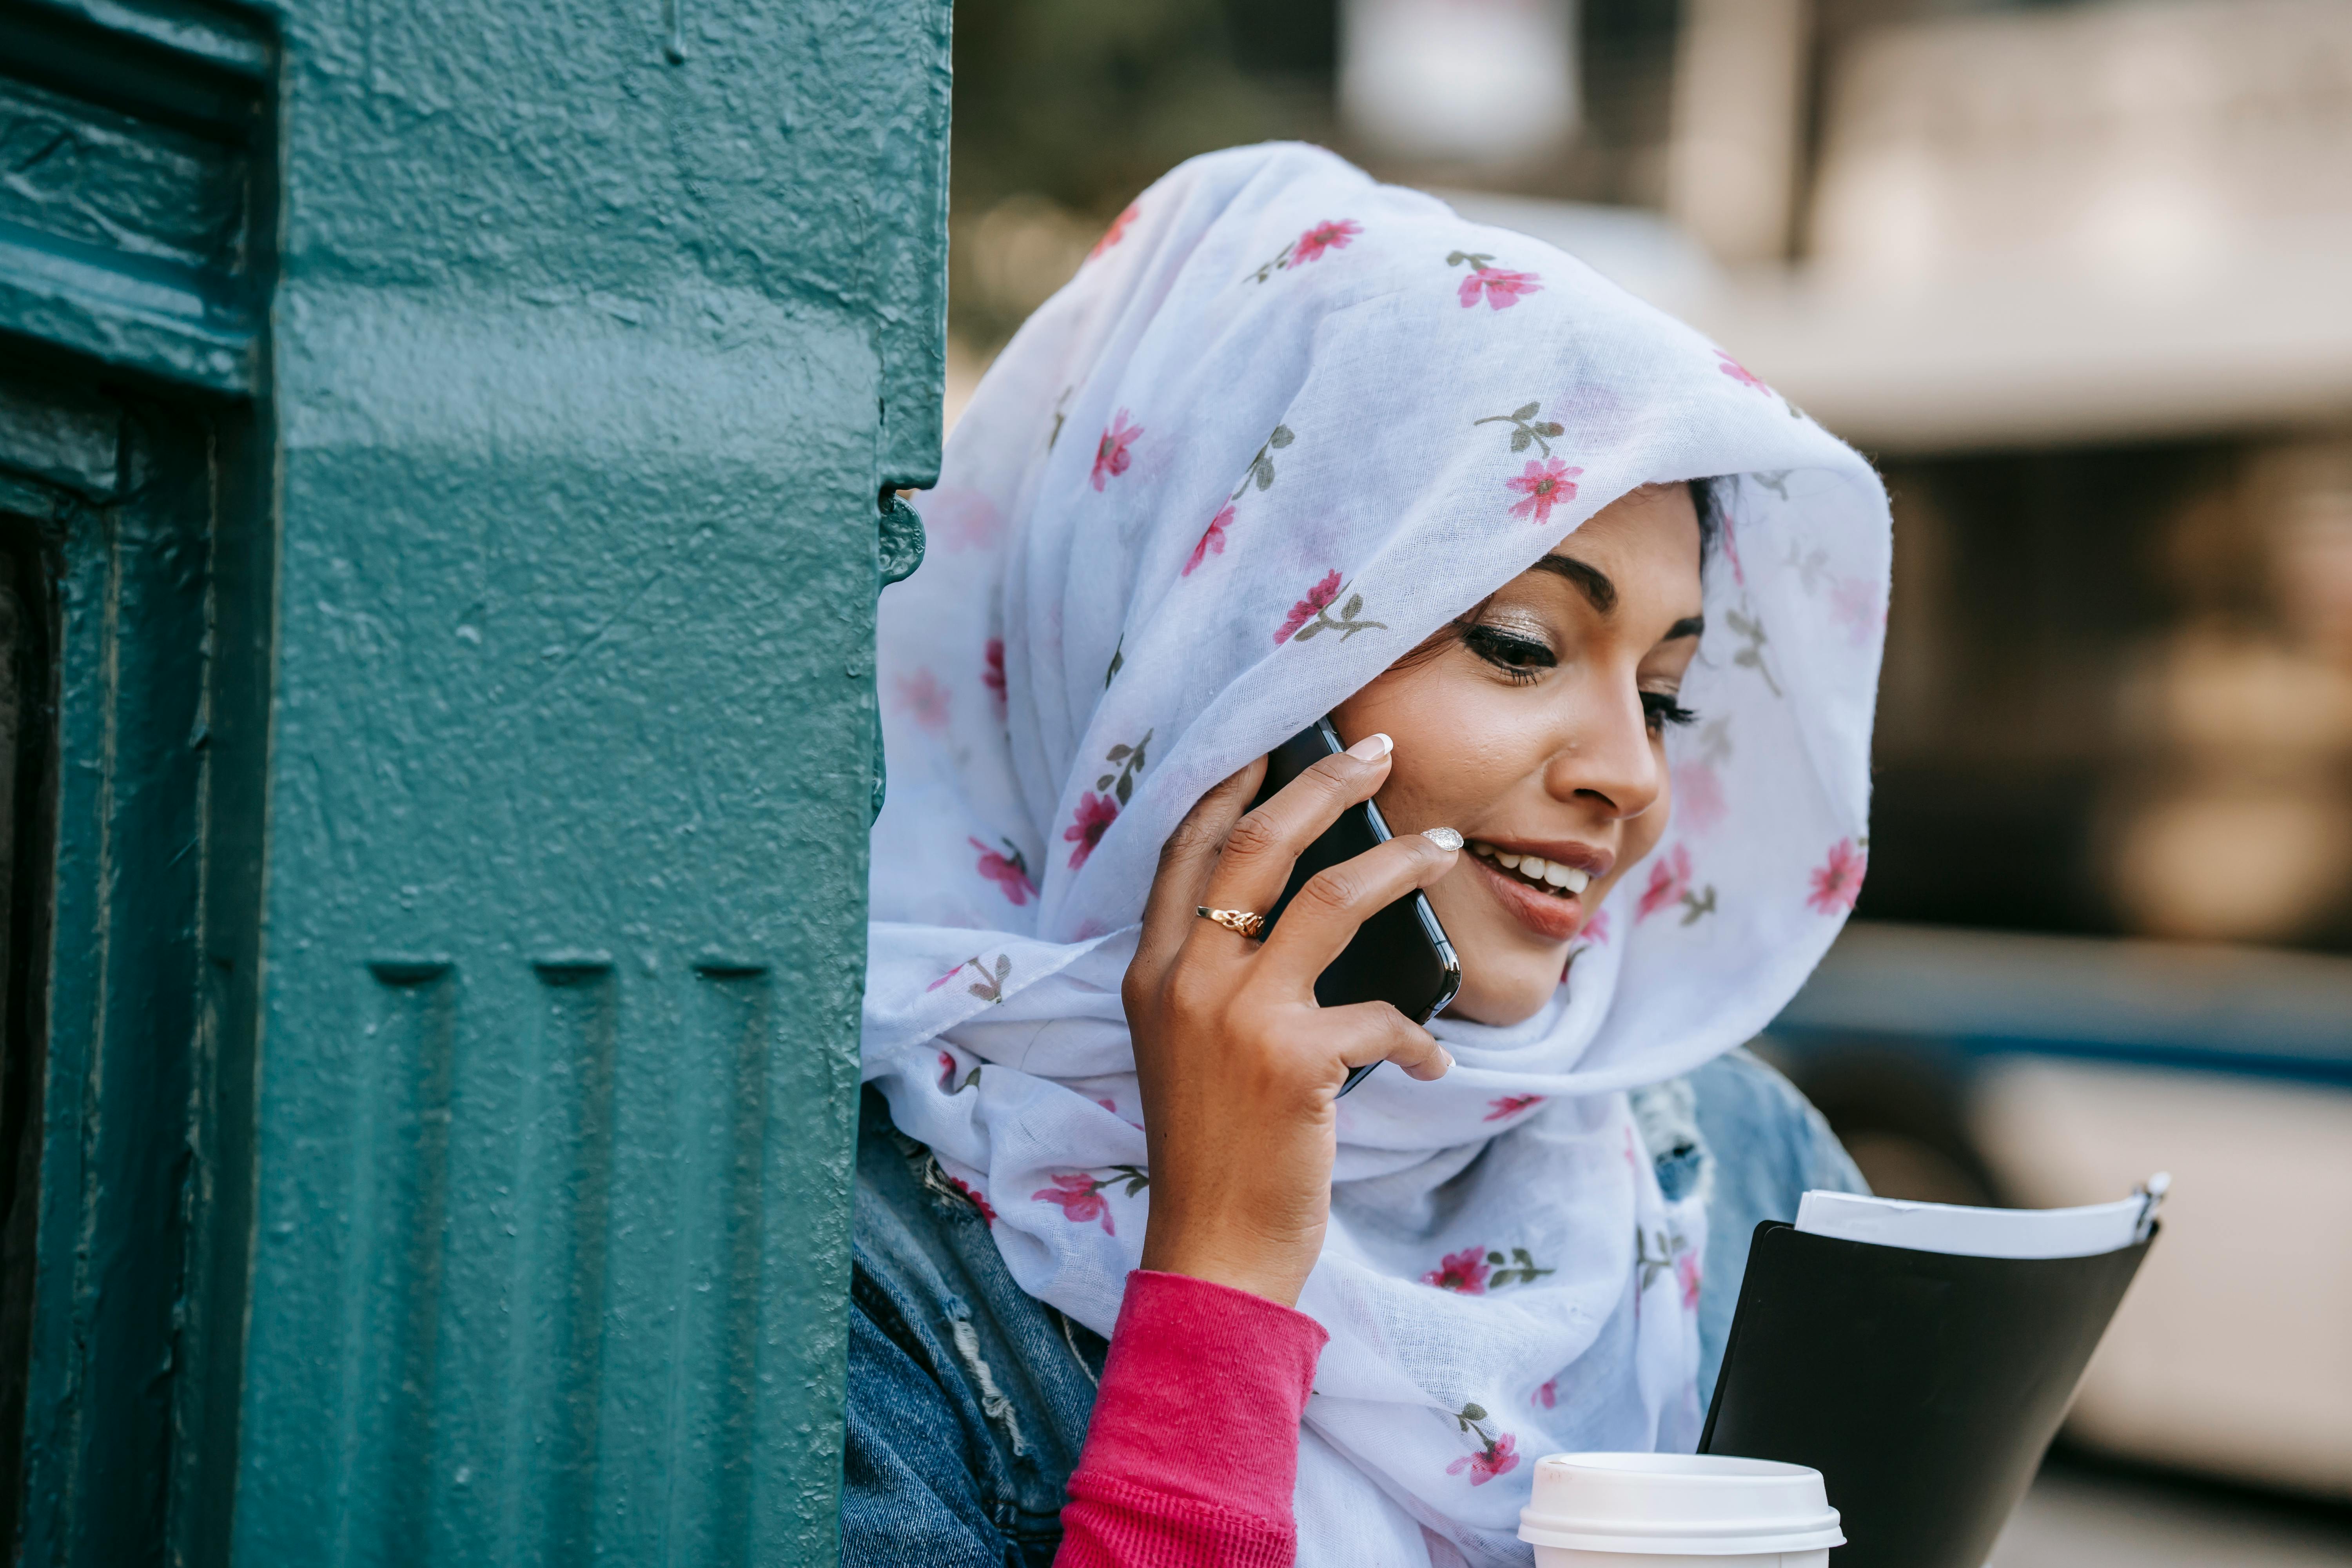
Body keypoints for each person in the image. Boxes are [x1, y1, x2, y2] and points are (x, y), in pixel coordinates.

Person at [844, 144, 1887, 1567]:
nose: (1632, 776)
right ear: (1212, 655)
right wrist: (1218, 1274)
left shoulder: (1748, 1164)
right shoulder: (855, 1259)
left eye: (1664, 694)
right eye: (1521, 648)